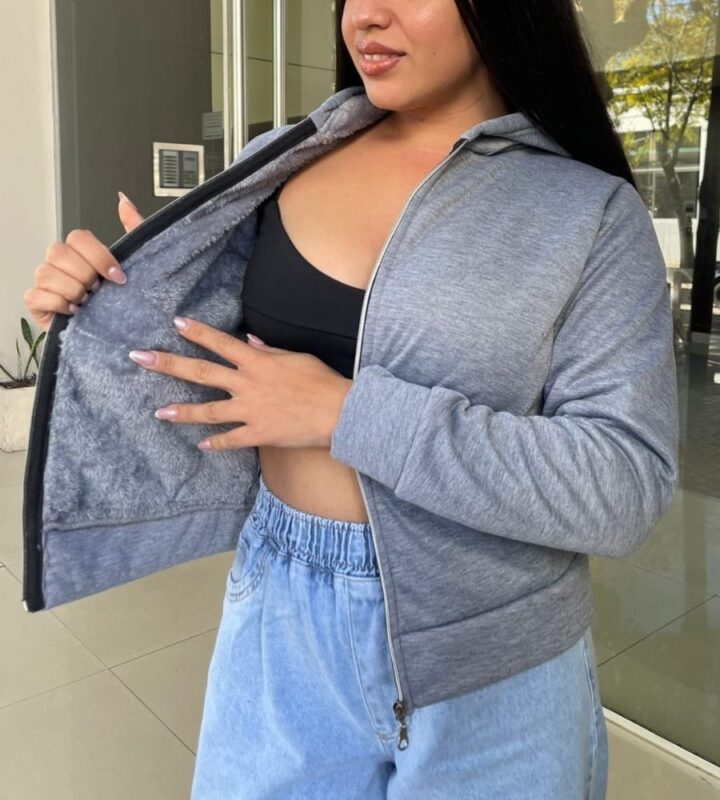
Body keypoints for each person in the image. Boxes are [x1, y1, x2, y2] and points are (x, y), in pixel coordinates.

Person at [23, 1, 679, 798]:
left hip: (491, 647)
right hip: (281, 612)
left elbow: (623, 485)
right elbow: (217, 374)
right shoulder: (283, 160)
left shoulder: (589, 213)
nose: (365, 15)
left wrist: (344, 413)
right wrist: (105, 305)